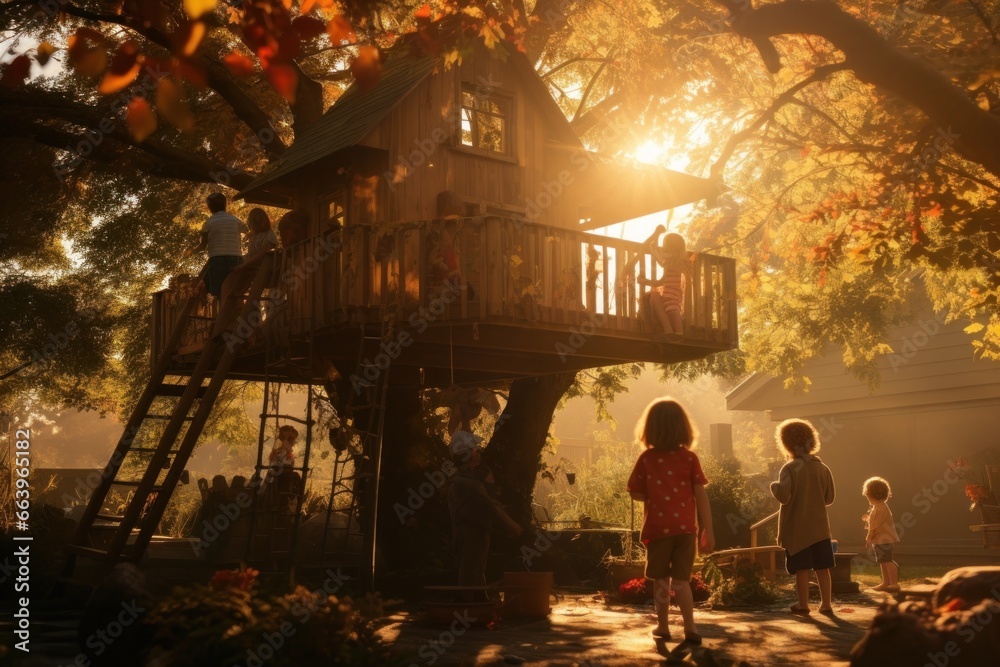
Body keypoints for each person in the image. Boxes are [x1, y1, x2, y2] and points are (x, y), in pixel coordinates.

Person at [626, 398, 715, 645]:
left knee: (661, 580)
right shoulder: (689, 458)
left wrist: (651, 494)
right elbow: (702, 497)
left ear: (650, 429)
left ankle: (663, 626)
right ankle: (691, 627)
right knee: (682, 581)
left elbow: (635, 492)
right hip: (686, 530)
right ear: (683, 427)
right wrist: (708, 528)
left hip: (657, 530)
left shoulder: (647, 459)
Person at [769, 418, 837, 616]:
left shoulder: (789, 468)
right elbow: (829, 498)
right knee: (823, 567)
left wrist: (774, 486)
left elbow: (784, 496)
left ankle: (803, 604)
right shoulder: (822, 468)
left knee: (802, 569)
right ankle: (826, 604)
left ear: (786, 443)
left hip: (797, 530)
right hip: (820, 529)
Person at [446, 430, 522, 597]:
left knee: (475, 573)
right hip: (474, 533)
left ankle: (479, 606)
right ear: (467, 455)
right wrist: (516, 528)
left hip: (468, 532)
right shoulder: (469, 485)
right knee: (471, 575)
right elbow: (493, 507)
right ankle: (472, 610)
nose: (478, 453)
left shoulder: (459, 482)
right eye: (475, 450)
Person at [184, 193, 248, 299]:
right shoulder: (235, 220)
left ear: (209, 207)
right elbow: (247, 231)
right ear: (225, 204)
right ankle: (237, 313)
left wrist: (191, 252)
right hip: (236, 259)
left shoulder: (209, 223)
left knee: (219, 293)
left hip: (217, 261)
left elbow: (203, 246)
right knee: (234, 291)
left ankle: (221, 313)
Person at [637, 233, 692, 340]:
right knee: (673, 311)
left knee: (656, 298)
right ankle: (675, 333)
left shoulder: (669, 262)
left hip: (668, 293)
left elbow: (660, 281)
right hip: (675, 294)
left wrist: (645, 281)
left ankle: (670, 331)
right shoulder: (681, 262)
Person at [862, 476, 900, 592]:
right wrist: (868, 518)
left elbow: (874, 526)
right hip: (880, 539)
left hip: (884, 539)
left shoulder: (879, 508)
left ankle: (894, 583)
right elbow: (876, 521)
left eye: (868, 495)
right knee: (882, 561)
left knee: (887, 560)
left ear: (870, 495)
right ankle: (886, 583)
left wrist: (868, 539)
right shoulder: (880, 507)